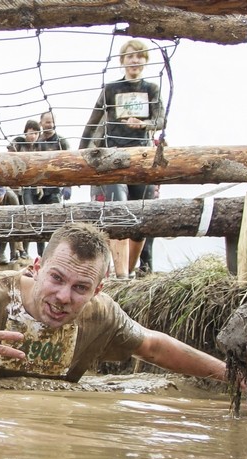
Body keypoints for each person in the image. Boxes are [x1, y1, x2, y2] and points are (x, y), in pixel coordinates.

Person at [0, 222, 230, 384]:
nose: (63, 297)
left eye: (80, 287)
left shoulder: (102, 314)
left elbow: (153, 346)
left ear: (98, 290)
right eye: (56, 279)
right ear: (36, 268)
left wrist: (231, 378)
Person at [78, 39, 164, 279]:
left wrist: (145, 124)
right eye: (129, 56)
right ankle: (120, 276)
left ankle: (131, 270)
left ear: (145, 60)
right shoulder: (111, 89)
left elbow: (160, 120)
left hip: (142, 156)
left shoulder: (151, 89)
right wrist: (81, 151)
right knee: (118, 211)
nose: (134, 60)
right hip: (112, 155)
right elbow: (93, 120)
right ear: (122, 61)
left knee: (141, 219)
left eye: (139, 56)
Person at [31, 111, 71, 256]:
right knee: (38, 222)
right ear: (41, 123)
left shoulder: (62, 142)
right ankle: (41, 255)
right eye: (47, 122)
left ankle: (55, 253)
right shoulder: (37, 143)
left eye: (52, 121)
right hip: (38, 188)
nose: (50, 124)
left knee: (55, 220)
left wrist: (68, 185)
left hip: (55, 188)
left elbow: (71, 163)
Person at [8, 119, 41, 259]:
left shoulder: (39, 146)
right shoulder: (19, 142)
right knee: (12, 219)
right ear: (25, 133)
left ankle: (24, 250)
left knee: (26, 219)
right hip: (15, 187)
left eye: (35, 133)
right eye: (30, 133)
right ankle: (12, 252)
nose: (32, 136)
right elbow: (10, 150)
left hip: (29, 188)